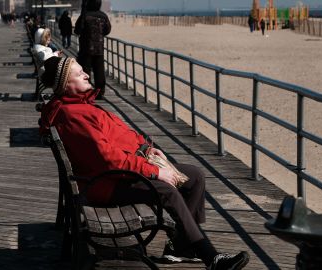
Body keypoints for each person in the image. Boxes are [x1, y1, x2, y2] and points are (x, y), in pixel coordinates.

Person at [39, 56, 250, 270]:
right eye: (79, 73)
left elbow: (120, 136)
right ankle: (212, 258)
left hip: (117, 174)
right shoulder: (74, 115)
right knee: (166, 189)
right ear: (66, 84)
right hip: (106, 185)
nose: (86, 74)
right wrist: (154, 172)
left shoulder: (80, 106)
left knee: (195, 176)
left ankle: (181, 247)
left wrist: (147, 148)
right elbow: (108, 160)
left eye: (83, 70)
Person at [74, 0, 111, 100]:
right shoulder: (103, 16)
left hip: (85, 49)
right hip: (99, 48)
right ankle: (100, 92)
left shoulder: (84, 15)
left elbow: (77, 30)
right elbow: (107, 30)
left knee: (85, 72)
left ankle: (86, 92)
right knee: (99, 72)